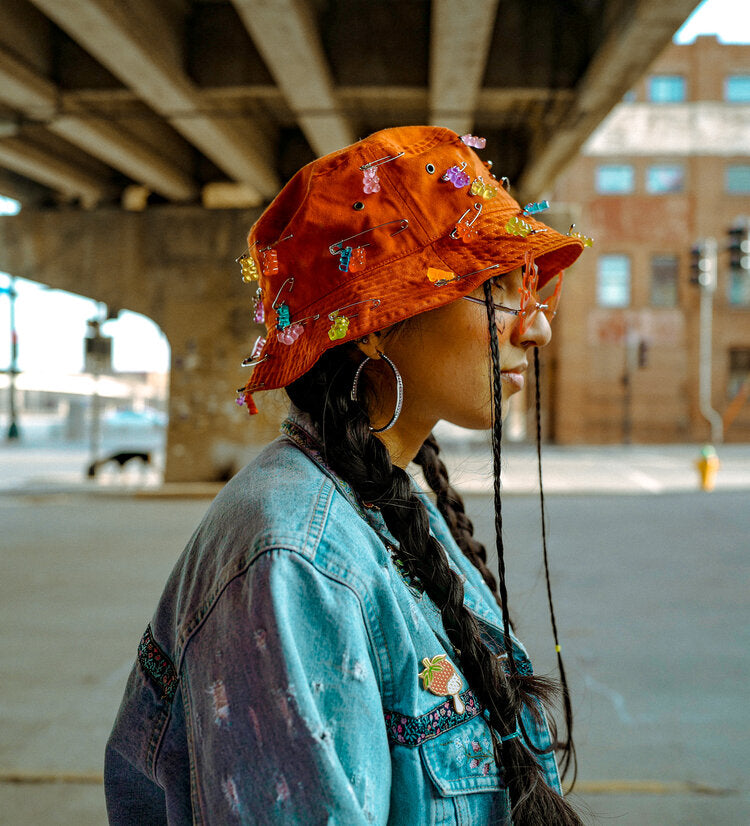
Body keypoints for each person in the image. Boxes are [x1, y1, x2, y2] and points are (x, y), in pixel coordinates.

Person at [104, 125, 587, 825]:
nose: (535, 330)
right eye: (499, 291)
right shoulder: (293, 561)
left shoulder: (383, 498)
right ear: (373, 323)